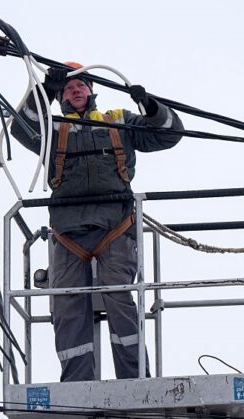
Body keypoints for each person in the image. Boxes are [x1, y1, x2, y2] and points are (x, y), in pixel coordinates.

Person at [10, 62, 184, 382]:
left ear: (92, 91)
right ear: (61, 96)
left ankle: (134, 380)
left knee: (120, 300)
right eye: (68, 88)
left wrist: (149, 106)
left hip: (114, 227)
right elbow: (20, 127)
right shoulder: (54, 130)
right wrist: (47, 88)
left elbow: (170, 133)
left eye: (81, 86)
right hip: (67, 233)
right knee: (67, 307)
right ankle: (76, 386)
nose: (75, 90)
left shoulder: (117, 122)